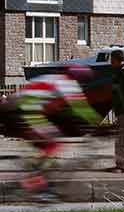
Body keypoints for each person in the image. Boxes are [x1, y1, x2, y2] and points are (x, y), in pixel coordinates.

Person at [5, 67, 99, 201]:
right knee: (53, 145)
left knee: (47, 150)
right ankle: (37, 186)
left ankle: (38, 178)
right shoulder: (67, 83)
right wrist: (99, 125)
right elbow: (81, 108)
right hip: (27, 109)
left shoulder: (53, 78)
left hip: (19, 107)